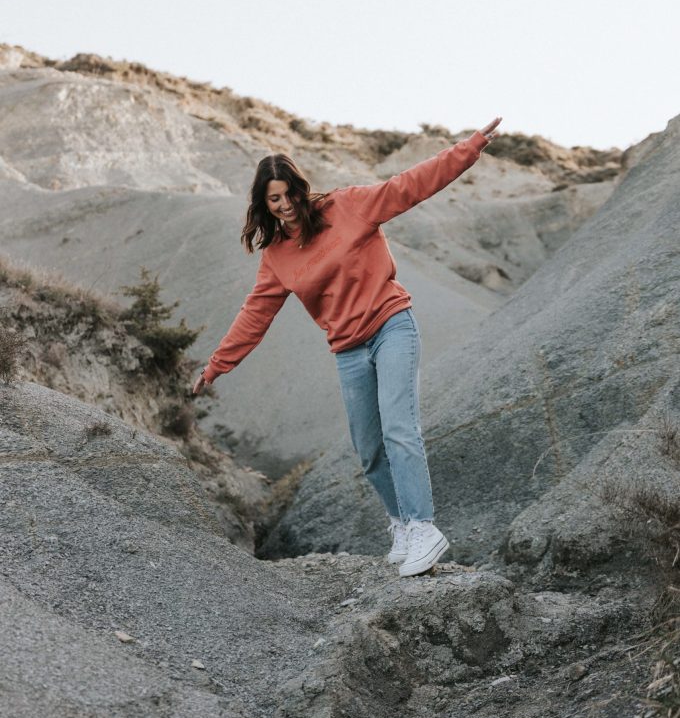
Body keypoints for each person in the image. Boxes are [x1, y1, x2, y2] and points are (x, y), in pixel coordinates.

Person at [193, 116, 502, 576]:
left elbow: (409, 186)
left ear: (301, 188)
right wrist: (215, 367)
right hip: (348, 350)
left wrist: (469, 147)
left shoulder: (348, 206)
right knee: (369, 449)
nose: (284, 206)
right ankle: (401, 523)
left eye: (288, 194)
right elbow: (254, 316)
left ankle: (424, 527)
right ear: (264, 204)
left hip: (392, 326)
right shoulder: (276, 258)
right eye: (273, 199)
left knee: (400, 429)